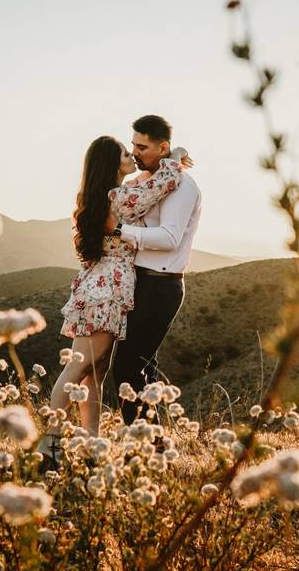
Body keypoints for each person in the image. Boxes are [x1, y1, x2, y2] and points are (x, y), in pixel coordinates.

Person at [36, 132, 191, 466]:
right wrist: (174, 157)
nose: (131, 157)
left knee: (94, 372)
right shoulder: (119, 198)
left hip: (99, 287)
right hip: (106, 292)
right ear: (111, 163)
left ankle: (91, 447)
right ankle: (49, 447)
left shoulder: (103, 196)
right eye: (124, 153)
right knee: (77, 371)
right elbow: (159, 186)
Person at [111, 115, 202, 425]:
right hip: (141, 282)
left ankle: (143, 442)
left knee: (126, 369)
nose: (135, 153)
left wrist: (118, 230)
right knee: (142, 368)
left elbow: (169, 238)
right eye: (133, 145)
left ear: (163, 147)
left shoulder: (182, 187)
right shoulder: (157, 178)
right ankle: (153, 443)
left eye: (143, 147)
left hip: (161, 286)